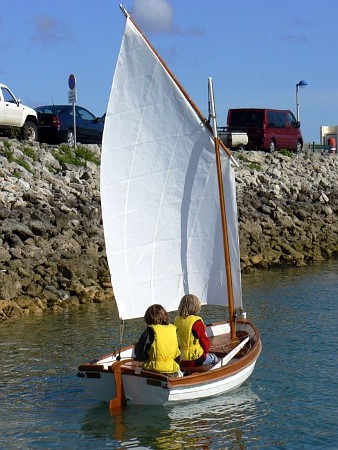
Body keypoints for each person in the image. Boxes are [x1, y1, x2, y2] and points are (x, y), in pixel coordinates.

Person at [134, 304, 181, 376]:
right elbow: (178, 352)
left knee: (137, 370)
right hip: (172, 370)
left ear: (147, 318)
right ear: (165, 316)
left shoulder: (149, 331)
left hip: (153, 370)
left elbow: (139, 353)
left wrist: (140, 357)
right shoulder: (173, 330)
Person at [174, 294, 218, 368]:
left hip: (180, 358)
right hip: (195, 359)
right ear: (196, 307)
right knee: (214, 358)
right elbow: (204, 342)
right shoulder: (196, 322)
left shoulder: (176, 320)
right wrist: (205, 352)